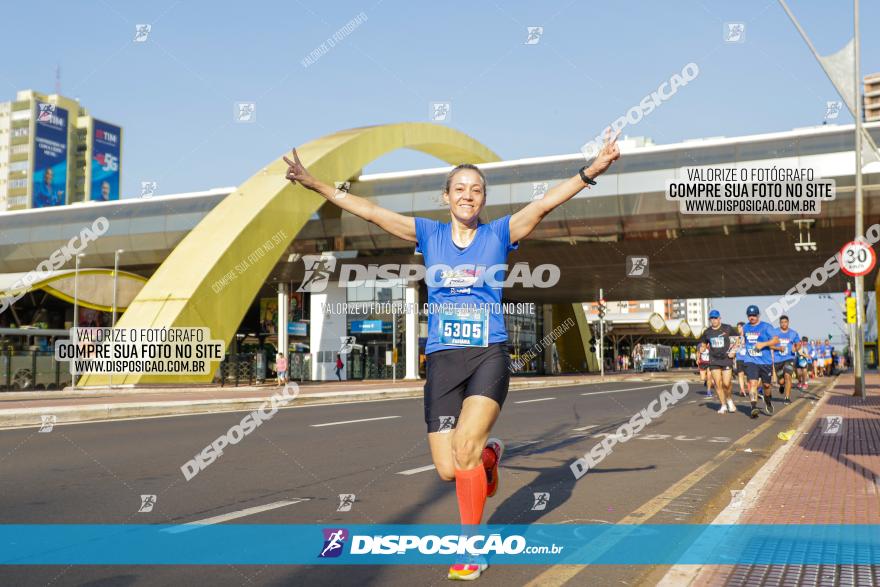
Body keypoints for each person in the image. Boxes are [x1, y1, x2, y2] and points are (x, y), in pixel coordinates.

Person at [283, 131, 621, 581]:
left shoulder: (500, 233)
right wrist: (317, 184)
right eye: (460, 188)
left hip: (488, 354)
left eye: (476, 189)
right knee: (448, 469)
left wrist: (590, 171)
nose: (468, 195)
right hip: (443, 359)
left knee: (464, 449)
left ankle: (470, 548)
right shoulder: (429, 233)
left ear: (483, 199)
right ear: (447, 198)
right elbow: (368, 210)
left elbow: (543, 205)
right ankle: (488, 459)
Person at [741, 305, 780, 418]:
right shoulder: (745, 327)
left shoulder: (766, 327)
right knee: (752, 383)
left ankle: (767, 401)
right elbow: (741, 340)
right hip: (751, 360)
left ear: (758, 315)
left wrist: (763, 344)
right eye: (749, 315)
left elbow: (776, 340)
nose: (751, 317)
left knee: (767, 385)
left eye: (754, 315)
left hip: (765, 361)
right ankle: (753, 407)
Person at [699, 309, 737, 414]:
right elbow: (703, 343)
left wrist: (733, 352)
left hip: (726, 359)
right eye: (712, 318)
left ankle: (729, 400)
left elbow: (738, 340)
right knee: (717, 383)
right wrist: (702, 348)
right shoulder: (707, 332)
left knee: (726, 383)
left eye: (716, 318)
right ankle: (723, 405)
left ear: (720, 318)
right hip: (714, 360)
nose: (714, 320)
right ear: (710, 319)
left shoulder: (727, 328)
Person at [771, 315, 800, 404]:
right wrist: (778, 348)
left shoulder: (793, 333)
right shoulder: (774, 332)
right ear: (780, 323)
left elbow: (798, 344)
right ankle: (782, 385)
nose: (784, 324)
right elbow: (770, 345)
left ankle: (787, 398)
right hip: (778, 359)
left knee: (788, 376)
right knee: (781, 380)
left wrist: (796, 348)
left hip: (789, 358)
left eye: (785, 322)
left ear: (788, 322)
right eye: (782, 322)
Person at [733, 322, 748, 397]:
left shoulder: (747, 337)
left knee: (749, 376)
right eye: (738, 327)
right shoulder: (737, 338)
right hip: (739, 358)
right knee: (740, 374)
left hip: (748, 359)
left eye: (739, 327)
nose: (738, 329)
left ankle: (752, 389)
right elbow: (734, 348)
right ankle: (742, 390)